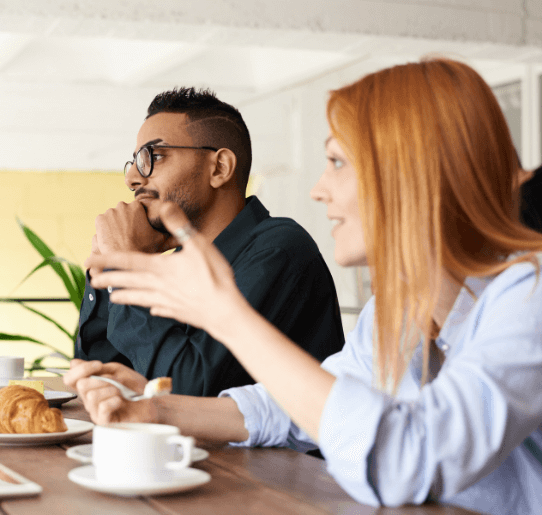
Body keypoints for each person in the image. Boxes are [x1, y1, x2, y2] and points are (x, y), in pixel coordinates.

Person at [65, 58, 542, 514]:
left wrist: (227, 316)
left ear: (408, 172)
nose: (319, 188)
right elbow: (292, 409)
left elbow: (407, 457)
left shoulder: (530, 295)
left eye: (337, 161)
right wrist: (154, 410)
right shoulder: (395, 309)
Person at [76, 87, 345, 397]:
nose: (133, 178)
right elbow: (102, 382)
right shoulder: (180, 265)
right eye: (136, 160)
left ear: (219, 168)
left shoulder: (279, 250)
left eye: (154, 156)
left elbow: (190, 391)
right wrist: (112, 271)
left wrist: (125, 263)